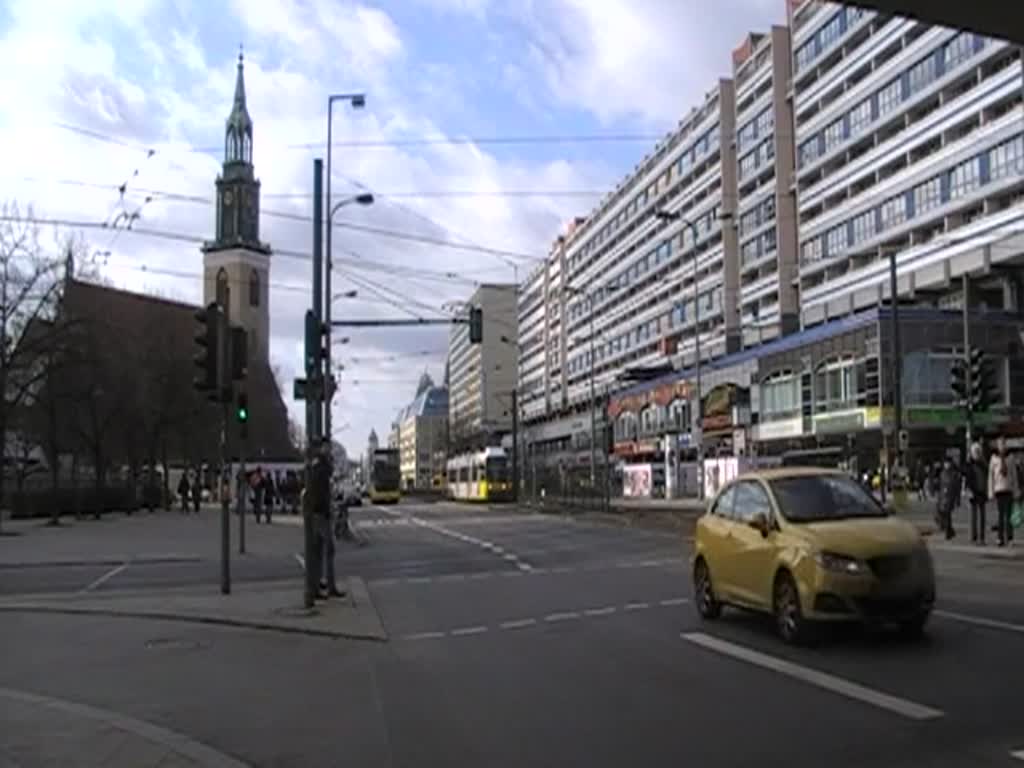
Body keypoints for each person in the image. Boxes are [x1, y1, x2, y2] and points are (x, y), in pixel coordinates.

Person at [988, 437, 1017, 547]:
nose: (1002, 446)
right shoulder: (994, 458)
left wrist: (1016, 490)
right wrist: (990, 491)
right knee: (1000, 515)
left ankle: (1010, 538)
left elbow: (1014, 475)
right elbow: (991, 477)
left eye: (1003, 444)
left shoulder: (1010, 458)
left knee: (1009, 516)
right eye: (1000, 444)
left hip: (1008, 489)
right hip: (998, 489)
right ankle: (1000, 538)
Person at [964, 441, 988, 544]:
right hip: (973, 492)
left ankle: (981, 537)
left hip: (982, 492)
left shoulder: (983, 464)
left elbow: (987, 477)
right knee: (973, 516)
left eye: (978, 451)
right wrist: (967, 490)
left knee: (982, 516)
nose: (977, 454)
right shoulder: (969, 464)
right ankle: (973, 536)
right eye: (975, 451)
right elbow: (967, 478)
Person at [937, 457, 959, 541]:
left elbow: (956, 487)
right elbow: (940, 486)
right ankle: (950, 530)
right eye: (946, 463)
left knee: (947, 514)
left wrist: (957, 499)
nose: (947, 465)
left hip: (950, 496)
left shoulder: (954, 474)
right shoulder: (942, 474)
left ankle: (948, 532)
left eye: (948, 463)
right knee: (943, 514)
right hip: (943, 496)